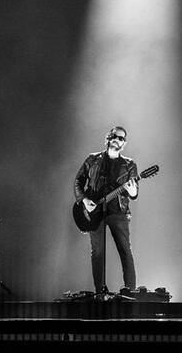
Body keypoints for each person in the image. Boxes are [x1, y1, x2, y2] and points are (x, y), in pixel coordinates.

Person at [74, 125, 139, 296]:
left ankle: (130, 291)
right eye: (115, 136)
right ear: (108, 138)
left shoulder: (129, 165)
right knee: (97, 253)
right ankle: (100, 292)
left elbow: (134, 192)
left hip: (118, 213)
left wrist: (133, 192)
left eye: (121, 138)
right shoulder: (92, 160)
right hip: (95, 213)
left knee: (125, 251)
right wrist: (84, 200)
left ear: (124, 143)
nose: (117, 140)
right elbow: (78, 181)